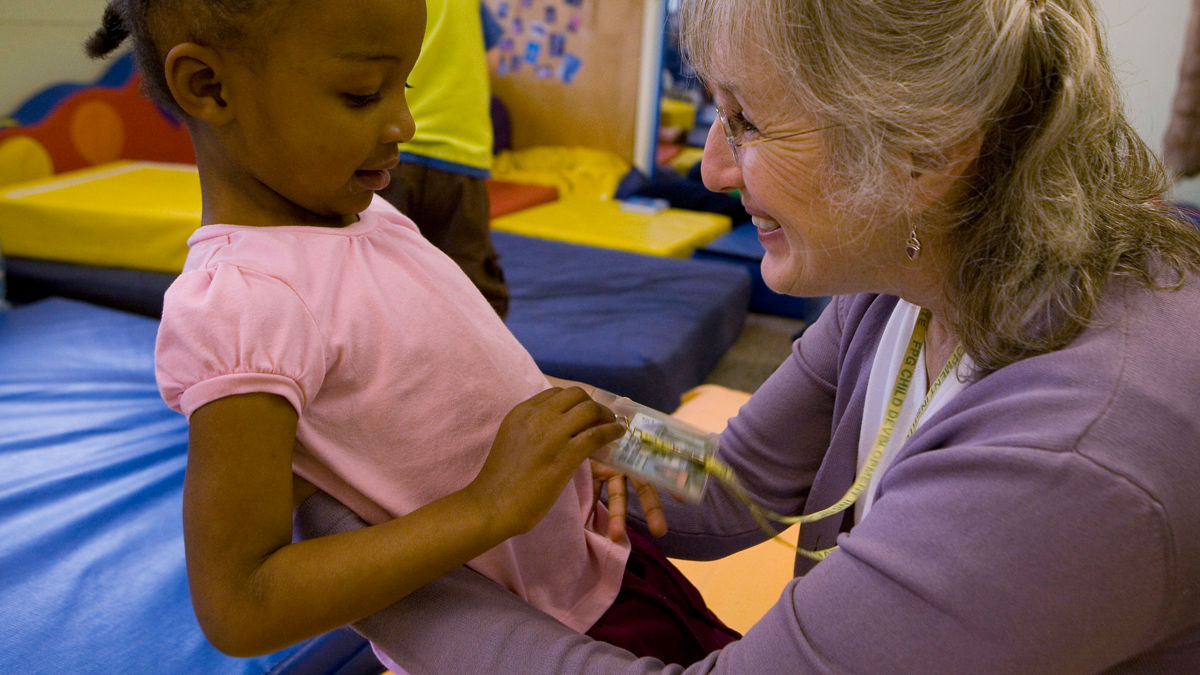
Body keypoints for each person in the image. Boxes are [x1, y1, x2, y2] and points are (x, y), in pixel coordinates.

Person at [296, 0, 1200, 671]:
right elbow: (731, 488)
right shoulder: (920, 271)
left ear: (923, 150)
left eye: (749, 121)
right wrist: (520, 418)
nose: (711, 164)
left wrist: (365, 564)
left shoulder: (1066, 457)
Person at [84, 0, 735, 669]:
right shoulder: (244, 304)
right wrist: (487, 506)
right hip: (535, 632)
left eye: (406, 88)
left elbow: (455, 386)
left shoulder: (372, 220)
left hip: (604, 561)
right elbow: (239, 603)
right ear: (209, 86)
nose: (405, 123)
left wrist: (586, 432)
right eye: (364, 94)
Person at [377, 0, 511, 318]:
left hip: (389, 146)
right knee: (468, 280)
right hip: (461, 151)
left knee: (381, 273)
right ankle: (479, 353)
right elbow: (491, 61)